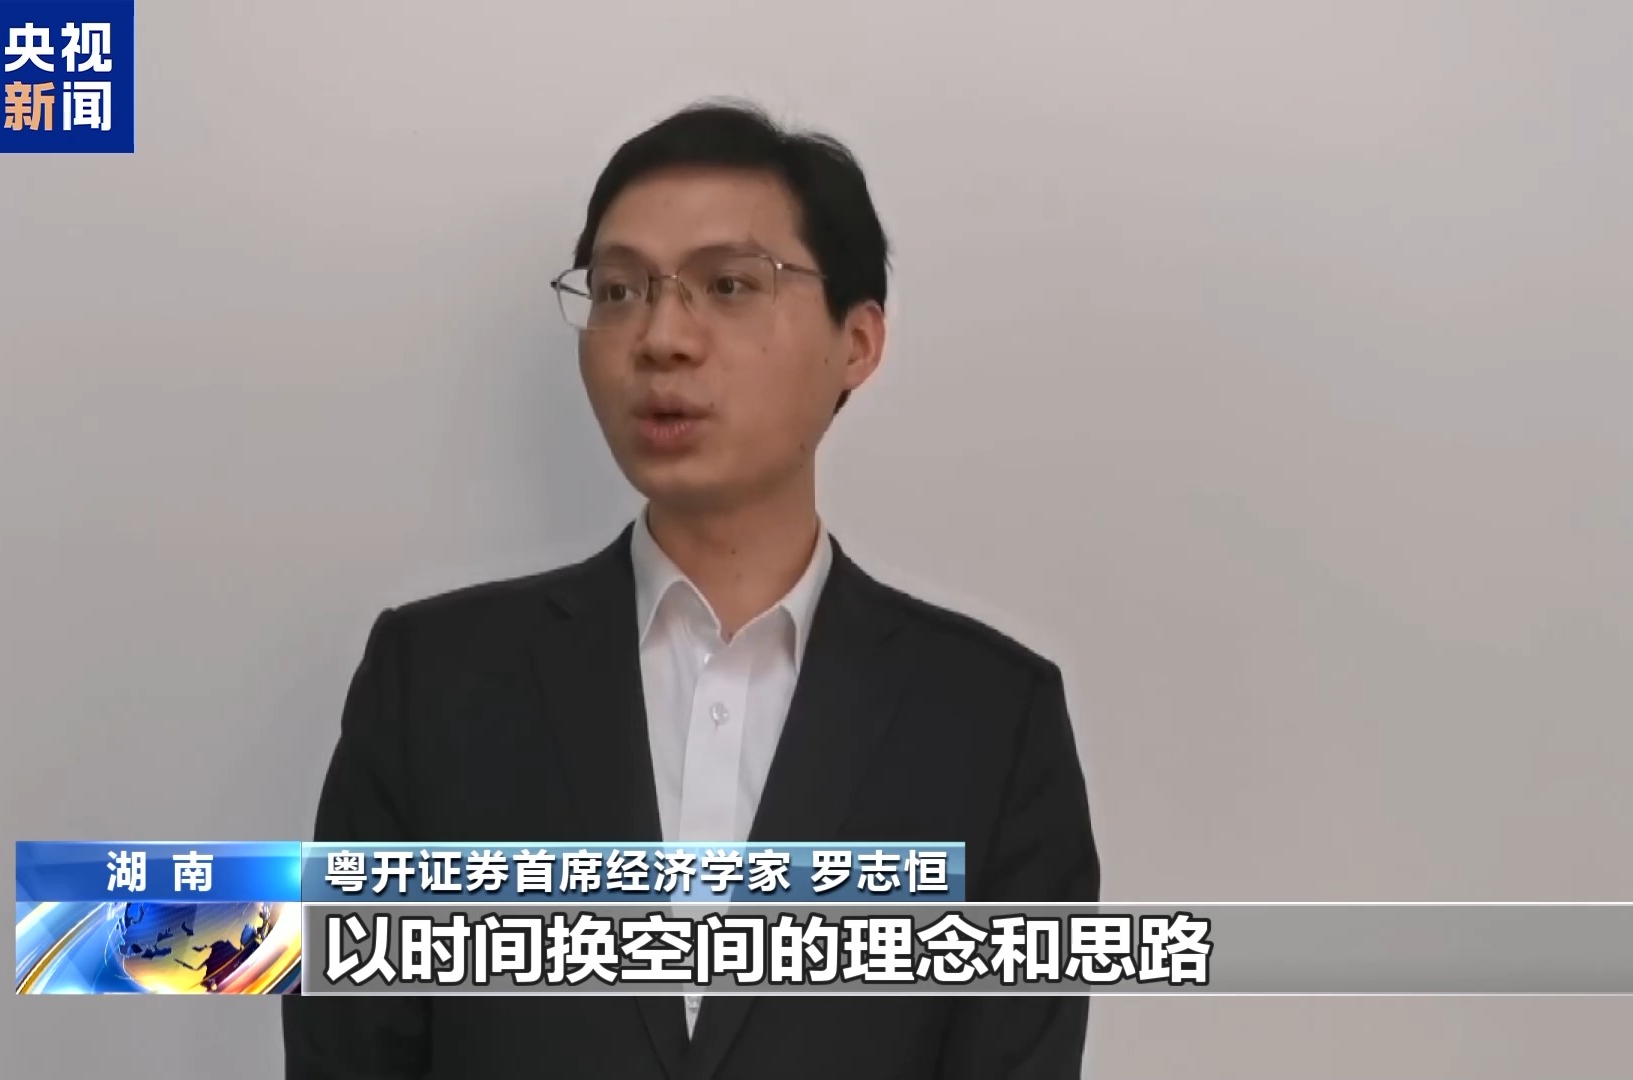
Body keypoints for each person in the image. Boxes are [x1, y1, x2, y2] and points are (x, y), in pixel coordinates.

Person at [282, 99, 1100, 1080]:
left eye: (729, 284)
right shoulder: (433, 684)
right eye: (619, 291)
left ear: (857, 341)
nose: (662, 336)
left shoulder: (991, 720)